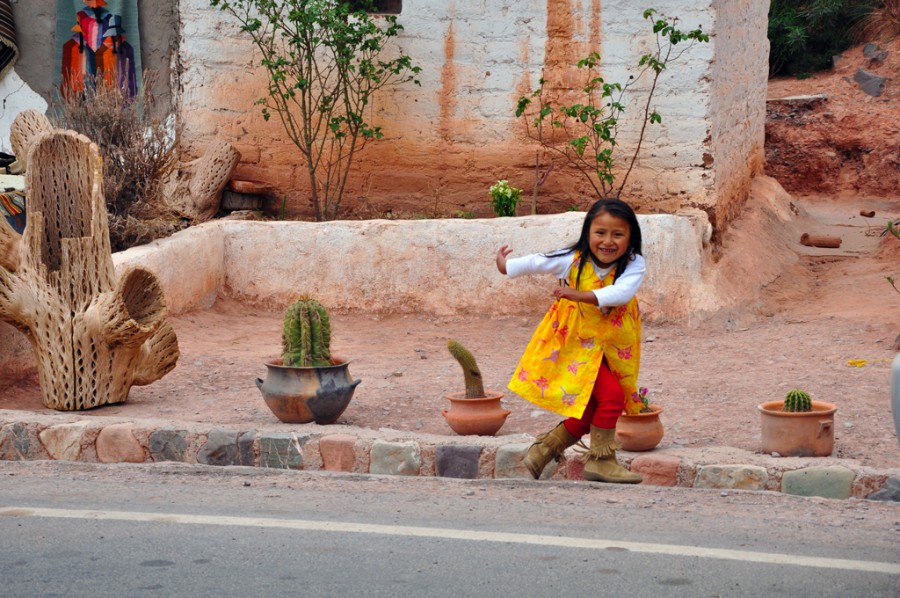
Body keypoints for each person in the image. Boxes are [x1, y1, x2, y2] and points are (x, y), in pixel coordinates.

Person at [496, 198, 645, 483]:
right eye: (600, 233)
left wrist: (580, 296)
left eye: (618, 234)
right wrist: (506, 266)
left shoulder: (633, 264)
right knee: (612, 397)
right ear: (588, 232)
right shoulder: (573, 260)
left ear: (631, 237)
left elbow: (621, 294)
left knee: (589, 408)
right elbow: (539, 261)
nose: (608, 241)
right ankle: (601, 462)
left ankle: (542, 451)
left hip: (612, 346)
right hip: (578, 344)